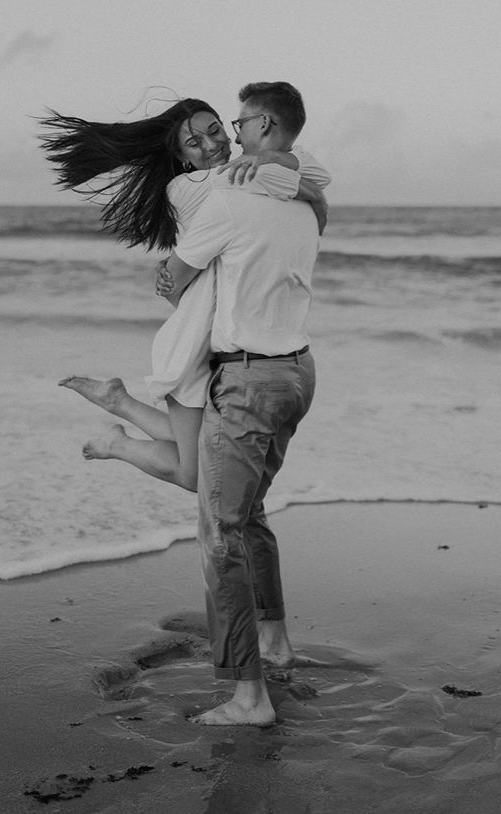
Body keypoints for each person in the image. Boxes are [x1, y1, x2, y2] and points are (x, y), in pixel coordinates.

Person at [40, 98, 330, 494]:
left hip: (219, 340)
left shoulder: (236, 177)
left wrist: (285, 174)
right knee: (195, 473)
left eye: (215, 131)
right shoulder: (193, 186)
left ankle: (117, 401)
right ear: (182, 158)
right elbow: (316, 172)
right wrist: (312, 195)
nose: (213, 145)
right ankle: (118, 440)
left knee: (199, 451)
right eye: (195, 143)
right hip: (193, 348)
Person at [155, 82, 320, 726]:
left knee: (220, 533)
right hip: (298, 373)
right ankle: (275, 642)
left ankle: (249, 698)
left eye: (237, 121)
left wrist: (175, 287)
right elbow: (311, 180)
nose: (231, 132)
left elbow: (175, 276)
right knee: (249, 518)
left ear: (264, 124)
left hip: (249, 380)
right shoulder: (308, 203)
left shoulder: (221, 199)